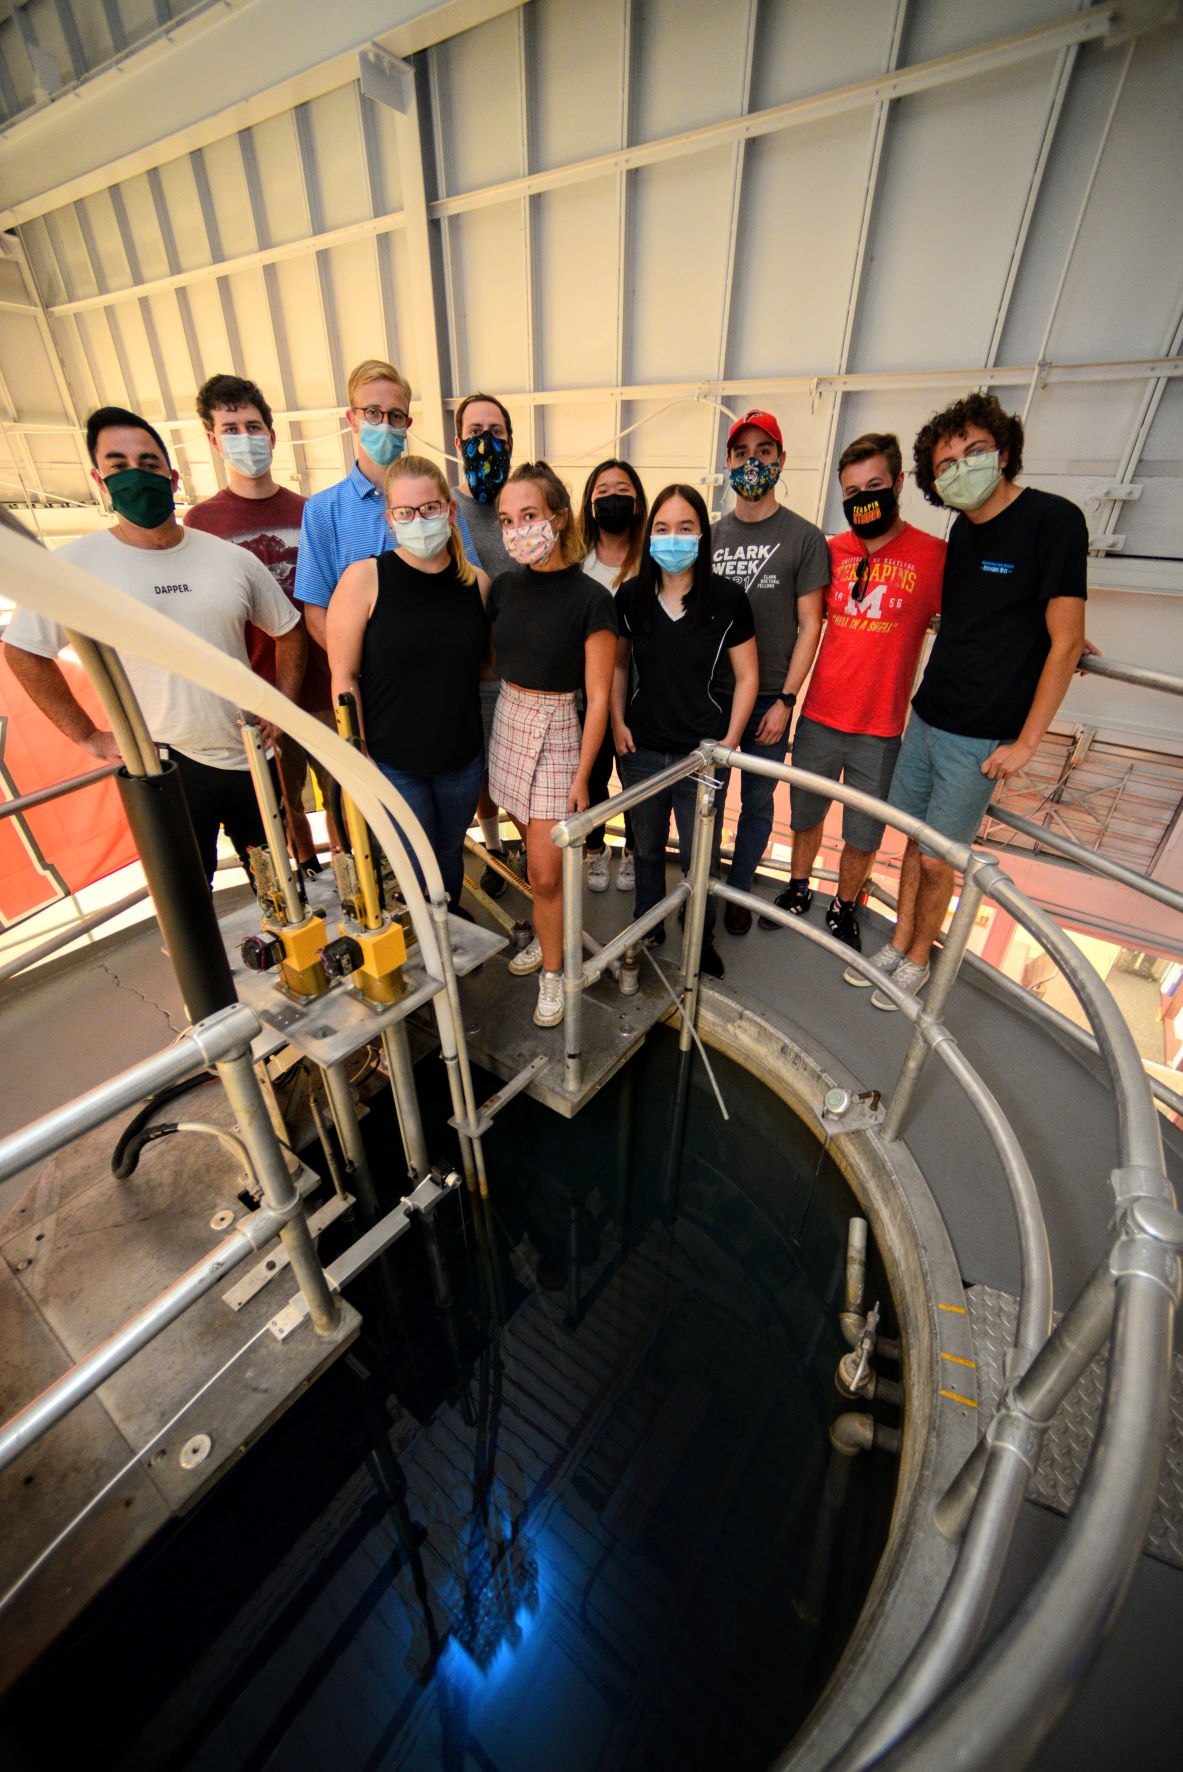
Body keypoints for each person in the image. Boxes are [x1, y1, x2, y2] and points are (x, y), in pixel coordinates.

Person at [3, 406, 305, 886]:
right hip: (161, 763)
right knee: (187, 899)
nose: (135, 476)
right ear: (100, 480)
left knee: (278, 888)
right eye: (118, 465)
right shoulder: (76, 568)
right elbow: (22, 649)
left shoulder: (229, 559)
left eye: (147, 464)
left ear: (171, 475)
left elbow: (288, 630)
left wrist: (282, 706)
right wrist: (88, 735)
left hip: (248, 754)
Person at [854, 392, 1088, 1010]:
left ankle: (917, 958)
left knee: (939, 861)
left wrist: (1027, 743)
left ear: (1004, 451)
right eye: (947, 461)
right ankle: (898, 941)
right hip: (927, 716)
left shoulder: (1053, 521)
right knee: (910, 839)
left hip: (981, 737)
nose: (961, 467)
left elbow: (1063, 645)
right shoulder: (962, 529)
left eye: (974, 451)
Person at [771, 431, 946, 950]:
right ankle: (799, 889)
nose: (862, 498)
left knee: (863, 835)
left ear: (896, 484)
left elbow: (982, 614)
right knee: (805, 817)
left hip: (881, 729)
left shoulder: (934, 556)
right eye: (851, 491)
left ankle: (846, 905)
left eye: (873, 485)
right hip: (820, 718)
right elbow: (802, 621)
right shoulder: (830, 552)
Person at [186, 371, 337, 878]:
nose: (244, 438)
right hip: (255, 693)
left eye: (252, 426)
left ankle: (350, 873)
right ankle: (308, 871)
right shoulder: (201, 524)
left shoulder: (310, 511)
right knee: (279, 801)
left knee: (340, 793)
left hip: (320, 684)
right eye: (231, 428)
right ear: (212, 439)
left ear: (271, 436)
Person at [326, 454, 490, 910]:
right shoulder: (365, 580)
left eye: (430, 509)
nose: (419, 520)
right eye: (406, 512)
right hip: (394, 760)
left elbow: (483, 666)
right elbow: (344, 675)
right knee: (416, 864)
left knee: (449, 853)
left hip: (461, 759)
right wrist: (356, 752)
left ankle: (450, 925)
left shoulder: (475, 583)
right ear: (390, 519)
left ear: (450, 510)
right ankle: (429, 939)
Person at [487, 461, 617, 1028]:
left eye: (530, 516)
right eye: (508, 519)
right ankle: (549, 937)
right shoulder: (504, 588)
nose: (518, 529)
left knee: (545, 872)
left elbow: (598, 694)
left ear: (558, 518)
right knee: (529, 849)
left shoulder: (592, 599)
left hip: (561, 726)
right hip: (510, 716)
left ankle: (555, 975)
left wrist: (584, 776)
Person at [613, 484, 759, 982]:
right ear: (649, 533)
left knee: (702, 858)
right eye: (662, 528)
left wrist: (729, 744)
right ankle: (648, 925)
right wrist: (616, 720)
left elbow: (748, 677)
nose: (672, 538)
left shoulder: (727, 601)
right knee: (648, 849)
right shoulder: (632, 596)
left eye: (685, 528)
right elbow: (616, 668)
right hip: (643, 750)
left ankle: (699, 937)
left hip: (702, 756)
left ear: (703, 535)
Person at [710, 409, 828, 935]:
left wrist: (786, 699)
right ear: (728, 461)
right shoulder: (708, 536)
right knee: (705, 799)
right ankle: (703, 881)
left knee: (757, 802)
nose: (751, 462)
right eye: (741, 453)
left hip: (767, 702)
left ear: (781, 460)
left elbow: (810, 625)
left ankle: (737, 891)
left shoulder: (803, 538)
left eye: (763, 452)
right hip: (713, 696)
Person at [294, 357, 413, 653]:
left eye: (395, 415)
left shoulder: (436, 501)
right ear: (353, 420)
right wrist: (359, 671)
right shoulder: (322, 510)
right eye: (373, 412)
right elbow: (316, 613)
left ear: (406, 424)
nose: (384, 424)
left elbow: (469, 583)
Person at [452, 391, 516, 897]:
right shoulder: (445, 511)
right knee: (478, 777)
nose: (485, 442)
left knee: (518, 774)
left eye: (494, 432)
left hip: (517, 673)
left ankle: (533, 849)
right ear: (458, 442)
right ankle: (493, 848)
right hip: (460, 674)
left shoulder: (524, 505)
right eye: (475, 433)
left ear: (510, 440)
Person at [577, 458, 648, 895]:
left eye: (622, 490)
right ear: (588, 505)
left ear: (638, 503)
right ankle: (596, 846)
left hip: (642, 694)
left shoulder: (650, 560)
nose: (612, 499)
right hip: (587, 696)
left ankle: (636, 850)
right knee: (595, 774)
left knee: (637, 777)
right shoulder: (576, 561)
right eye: (602, 492)